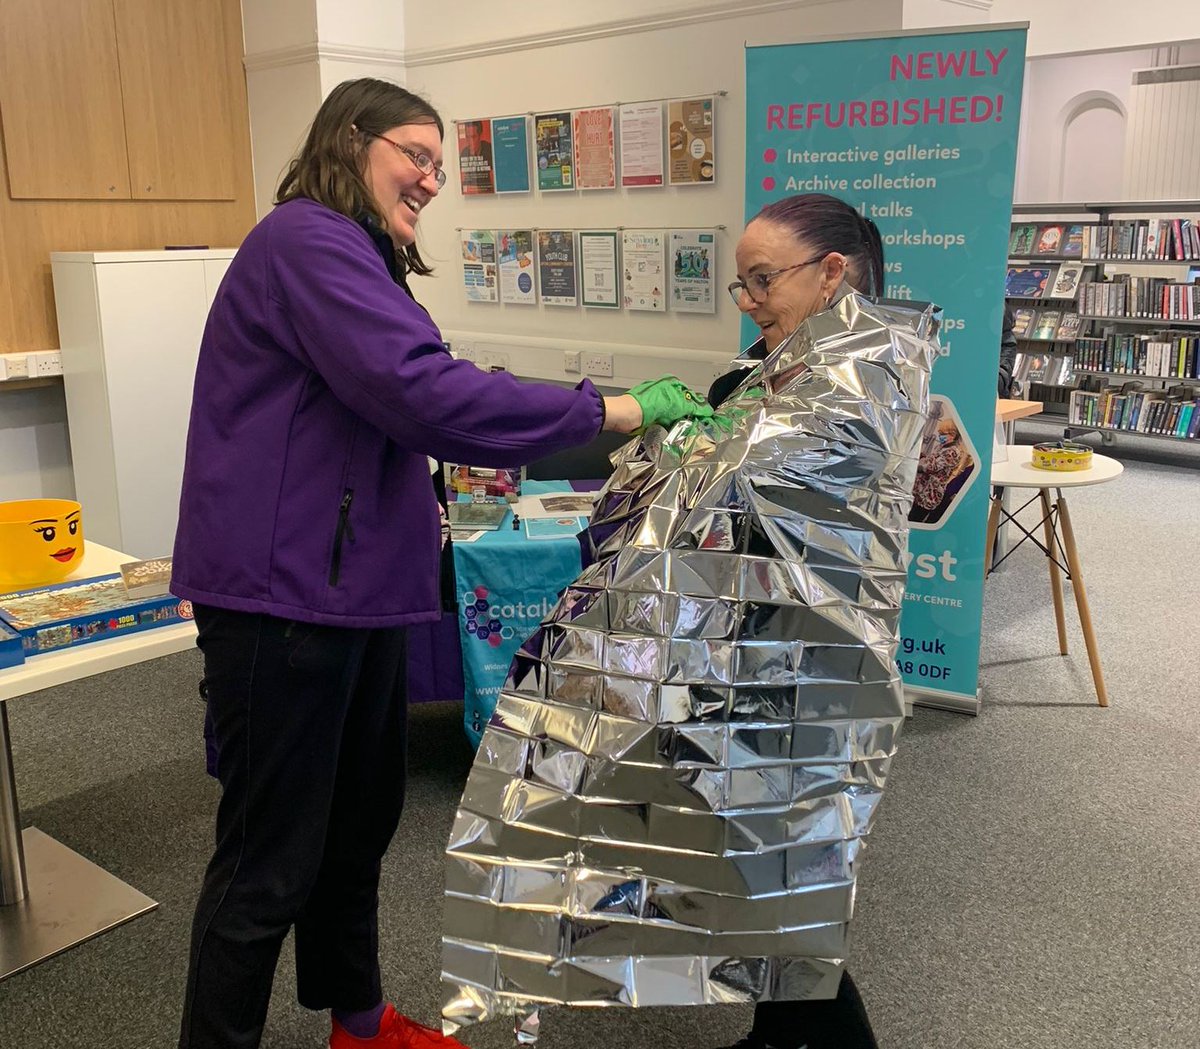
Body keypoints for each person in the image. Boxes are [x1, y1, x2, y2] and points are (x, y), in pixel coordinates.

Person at [170, 78, 696, 1049]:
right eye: (416, 152)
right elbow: (423, 393)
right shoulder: (308, 241)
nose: (432, 177)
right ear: (350, 139)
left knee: (356, 829)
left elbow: (422, 388)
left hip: (350, 595)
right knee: (267, 864)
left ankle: (361, 1024)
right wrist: (608, 410)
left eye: (440, 165)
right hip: (285, 600)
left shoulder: (360, 258)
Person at [712, 192, 888, 1049]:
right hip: (753, 659)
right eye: (740, 284)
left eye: (761, 281)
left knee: (789, 883)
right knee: (760, 871)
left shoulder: (865, 390)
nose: (748, 302)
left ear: (830, 276)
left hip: (808, 675)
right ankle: (773, 1035)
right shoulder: (777, 376)